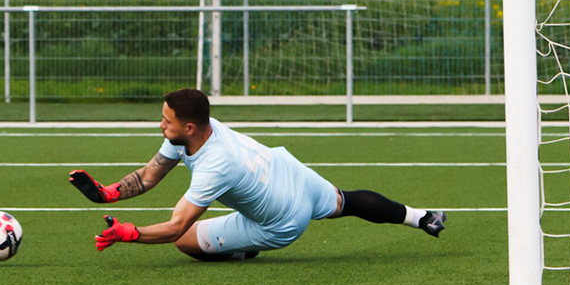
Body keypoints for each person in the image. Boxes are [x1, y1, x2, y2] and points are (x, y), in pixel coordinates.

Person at [73, 87, 444, 260]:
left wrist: (128, 234)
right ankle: (421, 217)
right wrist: (107, 193)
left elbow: (175, 228)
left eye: (166, 121)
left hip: (283, 221)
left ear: (189, 127)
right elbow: (150, 175)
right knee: (347, 201)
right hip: (292, 173)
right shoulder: (199, 128)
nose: (160, 125)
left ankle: (244, 248)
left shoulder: (215, 165)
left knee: (187, 243)